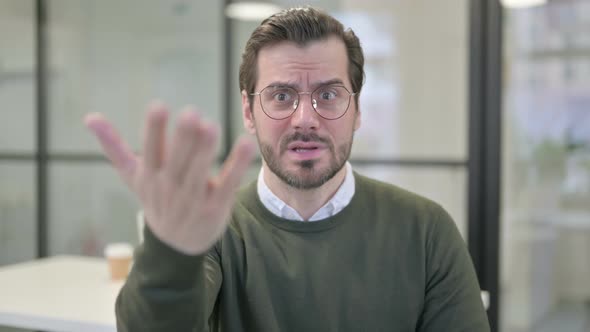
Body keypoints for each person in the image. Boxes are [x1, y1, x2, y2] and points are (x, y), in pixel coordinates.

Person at [85, 6, 490, 332]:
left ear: (358, 109)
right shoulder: (213, 229)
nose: (304, 120)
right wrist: (169, 251)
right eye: (281, 96)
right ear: (249, 110)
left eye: (328, 94)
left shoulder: (425, 230)